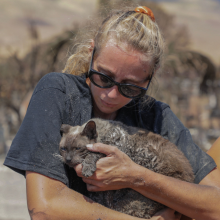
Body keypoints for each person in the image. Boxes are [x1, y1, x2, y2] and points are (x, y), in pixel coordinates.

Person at [4, 6, 220, 220]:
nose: (111, 94)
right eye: (104, 77)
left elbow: (215, 204)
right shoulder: (59, 93)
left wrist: (135, 176)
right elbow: (46, 208)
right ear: (91, 53)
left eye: (130, 87)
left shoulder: (157, 116)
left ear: (150, 78)